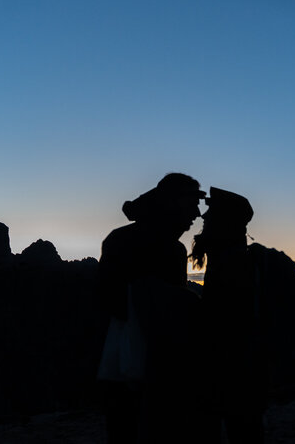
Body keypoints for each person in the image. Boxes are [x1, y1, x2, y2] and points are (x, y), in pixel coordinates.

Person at [192, 187, 295, 444]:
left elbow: (225, 321)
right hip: (249, 370)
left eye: (211, 213)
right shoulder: (232, 259)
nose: (204, 217)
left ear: (226, 220)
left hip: (235, 369)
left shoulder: (231, 264)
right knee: (245, 427)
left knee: (238, 427)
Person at [97, 173, 206, 444]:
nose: (197, 213)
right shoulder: (169, 248)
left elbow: (106, 301)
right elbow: (167, 314)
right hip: (152, 366)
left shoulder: (121, 238)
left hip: (116, 363)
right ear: (174, 203)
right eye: (193, 203)